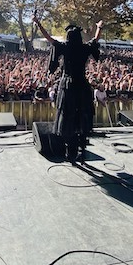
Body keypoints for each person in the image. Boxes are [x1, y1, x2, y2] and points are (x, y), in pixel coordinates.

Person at [33, 12, 103, 164]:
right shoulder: (84, 48)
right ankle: (82, 149)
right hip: (82, 86)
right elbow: (95, 40)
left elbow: (50, 39)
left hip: (68, 87)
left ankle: (70, 152)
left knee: (67, 118)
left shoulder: (65, 47)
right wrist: (99, 28)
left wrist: (38, 24)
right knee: (82, 116)